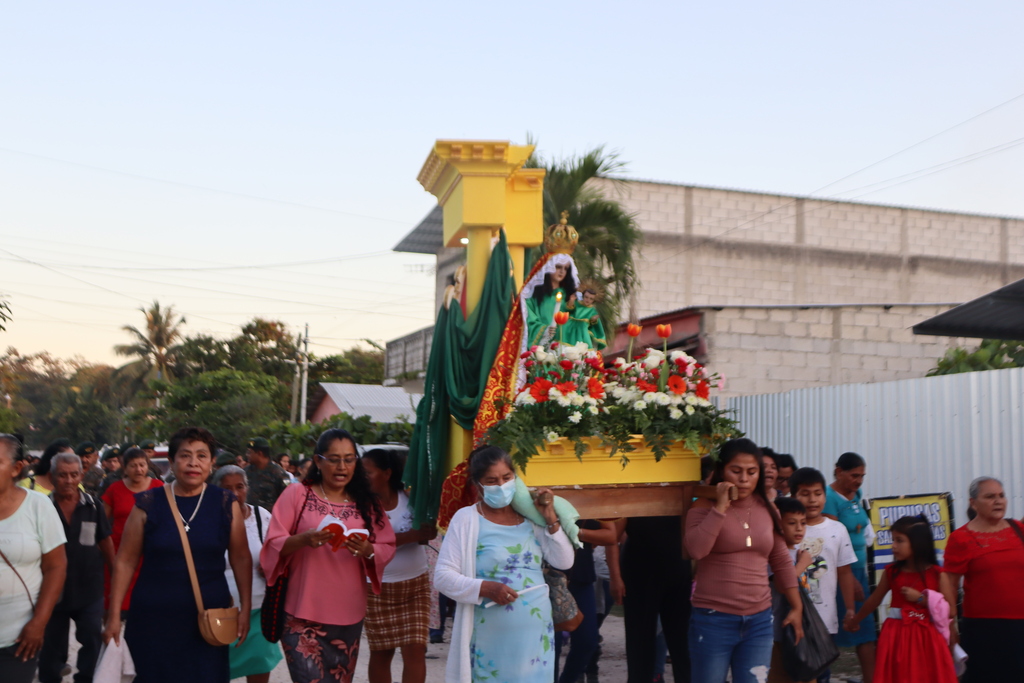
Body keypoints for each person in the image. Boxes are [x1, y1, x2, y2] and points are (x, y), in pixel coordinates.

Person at [103, 426, 252, 683]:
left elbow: (240, 557)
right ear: (171, 462)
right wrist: (114, 615)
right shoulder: (148, 503)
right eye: (185, 455)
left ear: (212, 462)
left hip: (206, 619)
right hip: (152, 619)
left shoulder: (225, 504)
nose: (193, 463)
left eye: (202, 455)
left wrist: (246, 608)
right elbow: (125, 561)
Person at [261, 428, 396, 683]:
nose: (342, 466)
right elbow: (272, 544)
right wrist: (302, 539)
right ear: (318, 461)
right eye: (334, 459)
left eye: (349, 458)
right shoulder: (297, 494)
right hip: (301, 613)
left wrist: (368, 550)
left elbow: (387, 546)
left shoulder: (368, 502)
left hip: (348, 613)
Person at [434, 445, 574, 683]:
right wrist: (486, 588)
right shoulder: (467, 519)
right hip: (489, 635)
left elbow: (564, 561)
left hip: (536, 633)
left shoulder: (532, 519)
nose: (501, 485)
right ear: (478, 485)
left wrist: (550, 518)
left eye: (507, 478)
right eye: (492, 480)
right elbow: (443, 576)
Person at [685, 438, 803, 683]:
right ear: (721, 471)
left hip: (759, 621)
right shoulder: (703, 506)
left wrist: (796, 605)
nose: (744, 479)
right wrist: (720, 507)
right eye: (735, 471)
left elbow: (780, 559)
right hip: (712, 619)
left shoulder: (768, 508)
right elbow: (696, 550)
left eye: (752, 472)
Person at [844, 515, 957, 683]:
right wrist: (856, 620)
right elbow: (874, 600)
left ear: (917, 543)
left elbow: (952, 611)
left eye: (899, 540)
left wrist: (921, 599)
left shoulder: (937, 574)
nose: (893, 546)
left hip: (928, 638)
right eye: (893, 540)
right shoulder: (892, 572)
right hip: (896, 637)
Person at [361, 447, 436, 683]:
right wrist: (409, 537)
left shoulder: (410, 497)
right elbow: (367, 545)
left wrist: (419, 533)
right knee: (382, 653)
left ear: (386, 473)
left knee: (416, 650)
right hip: (377, 588)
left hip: (415, 585)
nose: (362, 478)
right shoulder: (360, 504)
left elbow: (428, 531)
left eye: (368, 472)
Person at [39, 453, 115, 683]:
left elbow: (105, 542)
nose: (69, 480)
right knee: (51, 646)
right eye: (62, 475)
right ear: (52, 477)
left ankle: (86, 678)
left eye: (74, 475)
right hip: (53, 591)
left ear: (81, 475)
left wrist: (116, 575)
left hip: (89, 588)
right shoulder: (42, 508)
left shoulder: (93, 506)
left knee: (92, 636)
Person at [0, 433, 68, 683]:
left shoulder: (38, 506)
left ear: (16, 468)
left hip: (18, 639)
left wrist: (39, 623)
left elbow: (56, 567)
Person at [942, 476, 1024, 681]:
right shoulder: (961, 538)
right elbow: (950, 585)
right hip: (984, 629)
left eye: (1001, 496)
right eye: (990, 496)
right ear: (973, 503)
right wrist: (950, 627)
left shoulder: (1018, 529)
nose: (998, 501)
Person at [212, 465, 283, 683]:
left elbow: (279, 550)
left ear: (247, 488)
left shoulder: (262, 517)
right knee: (218, 670)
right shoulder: (209, 521)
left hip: (260, 610)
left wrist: (272, 564)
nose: (234, 493)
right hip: (222, 612)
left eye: (240, 487)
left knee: (260, 666)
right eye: (227, 488)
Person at [790, 467, 857, 683]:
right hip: (792, 618)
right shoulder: (785, 531)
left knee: (822, 674)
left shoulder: (837, 530)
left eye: (817, 494)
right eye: (805, 493)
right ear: (793, 496)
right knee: (794, 673)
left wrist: (849, 609)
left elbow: (845, 572)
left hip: (825, 621)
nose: (812, 500)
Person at [616, 514, 691, 683]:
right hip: (639, 573)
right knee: (639, 644)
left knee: (683, 644)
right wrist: (615, 577)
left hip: (678, 571)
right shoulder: (632, 491)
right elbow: (611, 536)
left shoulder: (684, 489)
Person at [823, 452, 876, 682]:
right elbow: (832, 540)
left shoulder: (857, 494)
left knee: (866, 631)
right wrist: (849, 579)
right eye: (854, 475)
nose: (858, 481)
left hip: (859, 570)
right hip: (839, 573)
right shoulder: (829, 497)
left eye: (862, 476)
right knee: (833, 631)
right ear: (838, 472)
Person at [101, 446, 164, 615]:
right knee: (114, 605)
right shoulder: (114, 489)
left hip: (150, 555)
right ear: (125, 467)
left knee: (148, 605)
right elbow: (101, 522)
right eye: (133, 465)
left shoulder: (159, 488)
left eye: (142, 465)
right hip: (119, 554)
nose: (139, 469)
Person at [555, 518, 617, 683]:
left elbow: (610, 535)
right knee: (552, 643)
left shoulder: (596, 500)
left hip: (581, 574)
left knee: (587, 641)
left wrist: (575, 532)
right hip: (549, 575)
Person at [768, 497, 813, 683]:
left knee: (807, 675)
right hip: (779, 631)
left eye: (803, 523)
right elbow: (781, 584)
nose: (799, 528)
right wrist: (802, 564)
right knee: (781, 675)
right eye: (792, 523)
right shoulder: (775, 553)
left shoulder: (799, 552)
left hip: (801, 628)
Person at [525, 254, 578, 348]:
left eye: (566, 268)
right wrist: (544, 330)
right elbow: (530, 319)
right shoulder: (533, 295)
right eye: (558, 267)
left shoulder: (569, 297)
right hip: (540, 348)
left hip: (563, 346)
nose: (562, 271)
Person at [244, 437, 290, 510]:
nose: (247, 455)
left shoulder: (280, 474)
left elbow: (288, 500)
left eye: (250, 452)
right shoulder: (245, 471)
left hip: (269, 518)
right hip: (249, 518)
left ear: (259, 453)